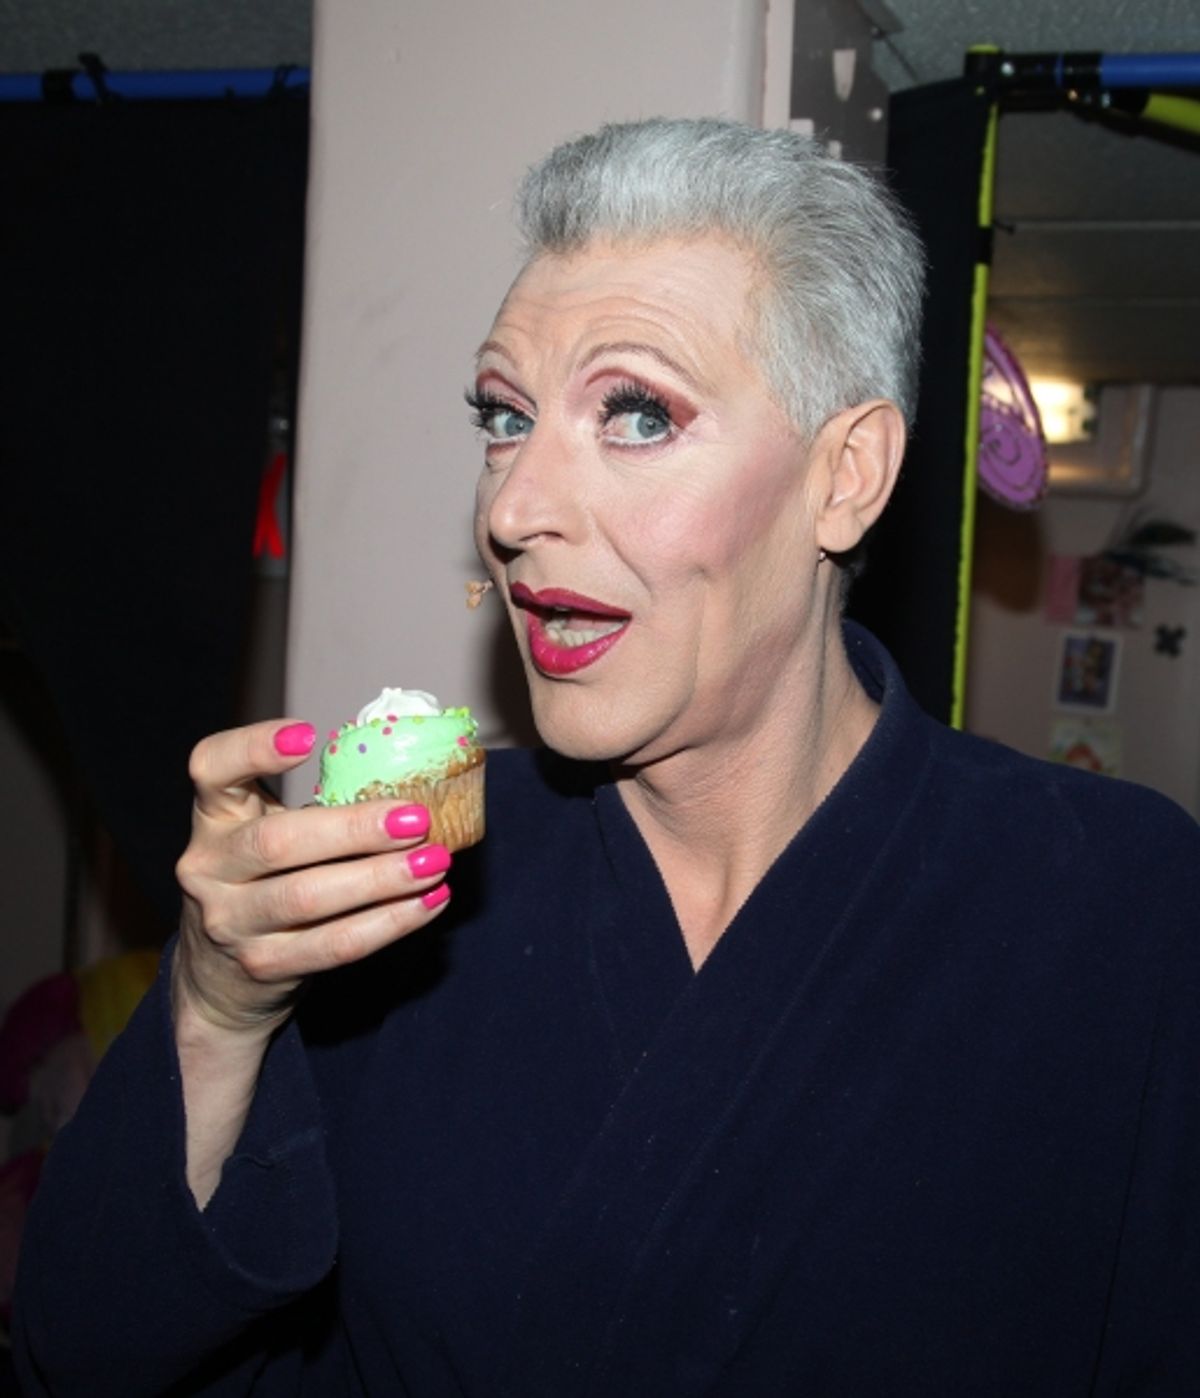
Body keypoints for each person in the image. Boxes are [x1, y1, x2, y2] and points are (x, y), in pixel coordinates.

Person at [13, 117, 1200, 1396]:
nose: (514, 508)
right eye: (503, 418)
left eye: (636, 413)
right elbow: (84, 1355)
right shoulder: (389, 890)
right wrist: (214, 1006)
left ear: (846, 476)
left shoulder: (1115, 901)